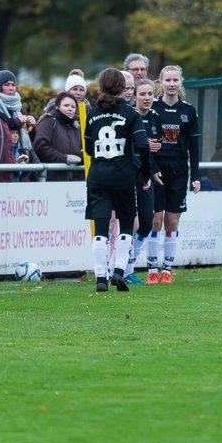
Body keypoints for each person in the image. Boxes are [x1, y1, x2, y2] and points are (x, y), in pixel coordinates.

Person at [84, 68, 151, 293]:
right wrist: (145, 172)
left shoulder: (92, 114)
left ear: (101, 87)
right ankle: (120, 271)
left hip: (98, 178)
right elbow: (142, 145)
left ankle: (100, 277)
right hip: (123, 177)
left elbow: (88, 148)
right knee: (126, 224)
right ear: (123, 88)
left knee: (101, 227)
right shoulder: (131, 114)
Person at [144, 65, 200, 284]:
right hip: (157, 168)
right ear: (161, 82)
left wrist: (196, 175)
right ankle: (151, 270)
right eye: (167, 80)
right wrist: (153, 168)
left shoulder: (188, 110)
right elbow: (144, 144)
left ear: (180, 82)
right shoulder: (153, 108)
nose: (171, 84)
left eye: (175, 80)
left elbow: (194, 146)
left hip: (179, 169)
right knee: (155, 221)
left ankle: (167, 269)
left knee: (172, 221)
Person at [126, 78, 162, 283]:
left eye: (150, 94)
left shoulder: (155, 117)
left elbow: (158, 148)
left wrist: (154, 168)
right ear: (135, 96)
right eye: (143, 94)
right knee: (130, 222)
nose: (147, 98)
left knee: (147, 222)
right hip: (129, 173)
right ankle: (126, 269)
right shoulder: (128, 116)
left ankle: (129, 261)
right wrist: (143, 144)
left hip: (146, 173)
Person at [32, 92, 84, 180]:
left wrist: (81, 158)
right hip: (51, 180)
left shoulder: (77, 126)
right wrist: (64, 158)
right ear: (57, 107)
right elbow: (40, 147)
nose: (70, 109)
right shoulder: (48, 120)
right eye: (66, 105)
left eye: (73, 107)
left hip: (76, 182)